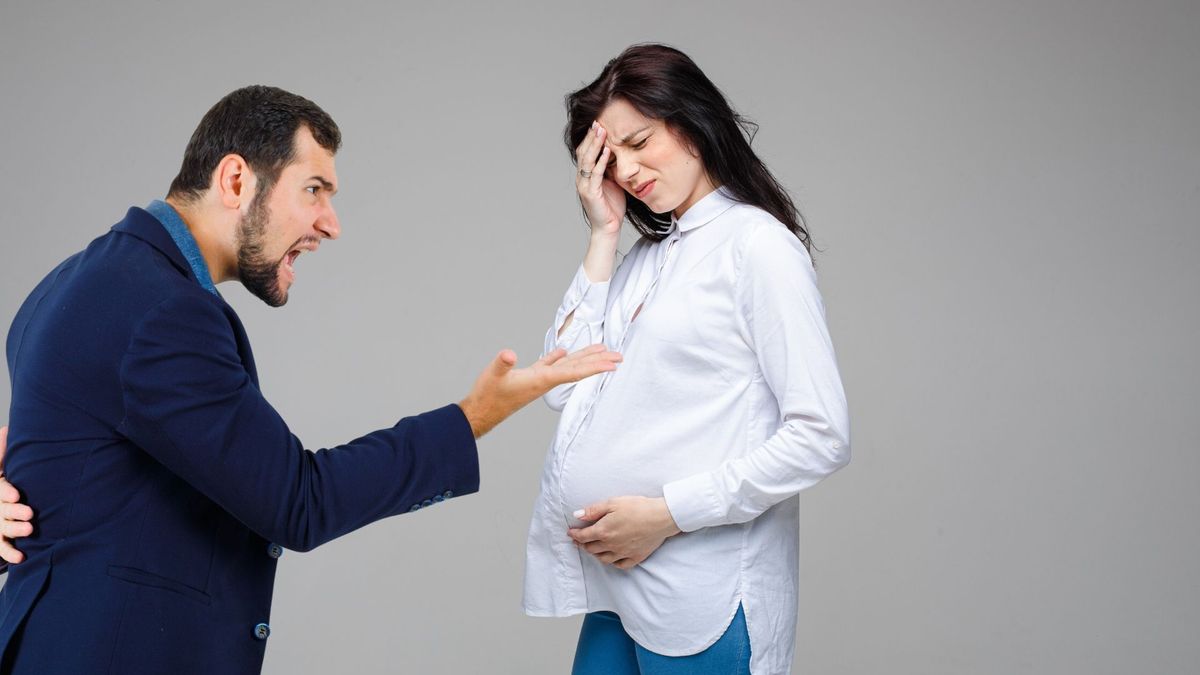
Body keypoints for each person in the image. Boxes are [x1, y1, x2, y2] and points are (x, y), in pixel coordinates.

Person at [0, 85, 620, 674]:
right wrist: (474, 416)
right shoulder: (163, 311)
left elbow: (71, 463)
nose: (331, 223)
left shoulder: (67, 286)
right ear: (236, 180)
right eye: (314, 190)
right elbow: (298, 502)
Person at [522, 44, 851, 675]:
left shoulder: (758, 247)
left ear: (692, 119)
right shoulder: (646, 260)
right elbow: (561, 384)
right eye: (610, 158)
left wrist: (666, 516)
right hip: (617, 590)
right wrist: (603, 234)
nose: (629, 169)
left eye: (640, 141)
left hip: (707, 592)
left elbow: (822, 435)